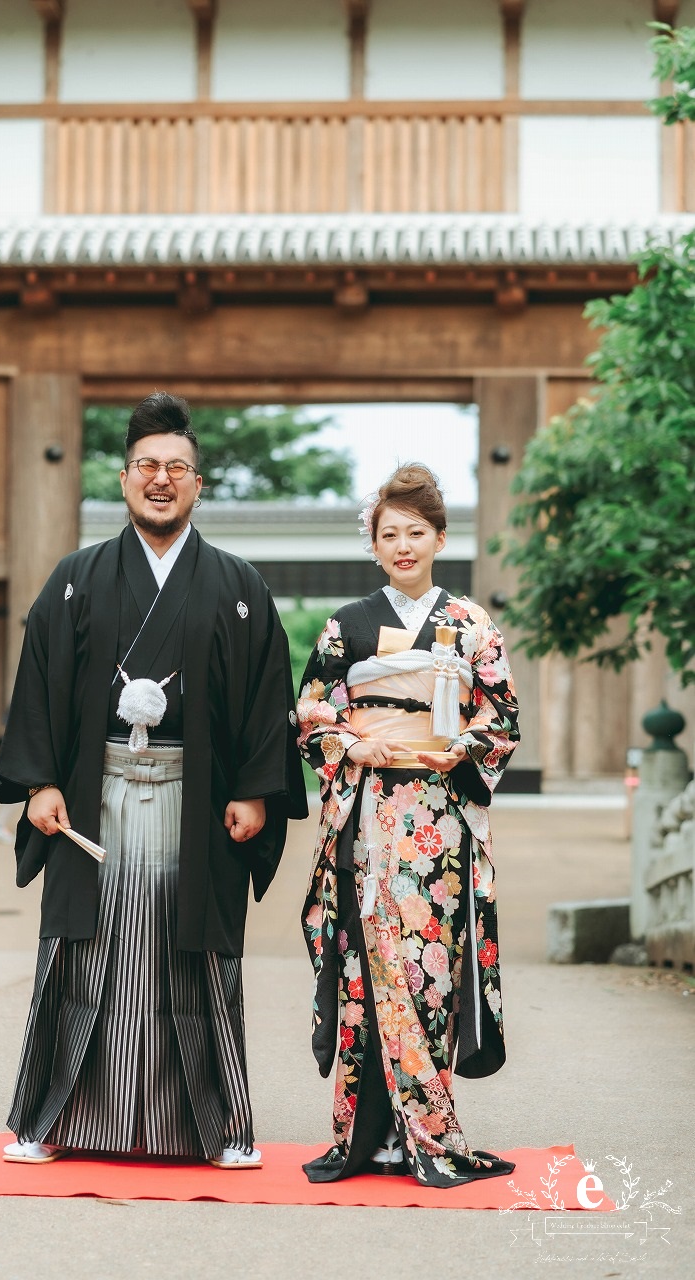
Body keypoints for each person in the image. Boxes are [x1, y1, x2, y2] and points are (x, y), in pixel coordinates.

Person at [0, 392, 307, 1169]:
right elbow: (37, 684)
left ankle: (220, 1128)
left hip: (194, 798)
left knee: (191, 949)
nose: (160, 479)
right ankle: (51, 1120)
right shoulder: (77, 577)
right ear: (124, 479)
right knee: (82, 949)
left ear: (198, 484)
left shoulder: (238, 587)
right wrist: (38, 782)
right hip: (92, 793)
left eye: (176, 467)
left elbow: (271, 697)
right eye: (146, 466)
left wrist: (257, 791)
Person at [297, 463, 519, 1185]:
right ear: (373, 542)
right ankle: (368, 1137)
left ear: (439, 538)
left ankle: (426, 1132)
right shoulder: (346, 625)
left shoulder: (468, 622)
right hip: (366, 809)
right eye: (388, 533)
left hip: (436, 816)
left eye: (414, 532)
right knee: (368, 965)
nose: (402, 544)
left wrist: (460, 747)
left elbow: (501, 715)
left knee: (425, 967)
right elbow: (310, 712)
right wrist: (351, 741)